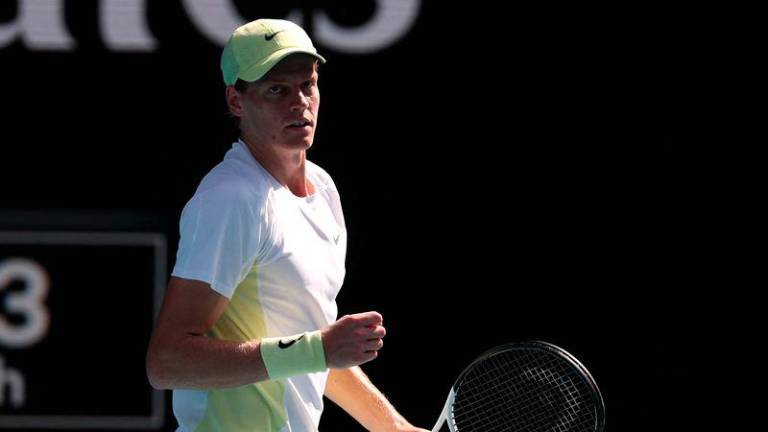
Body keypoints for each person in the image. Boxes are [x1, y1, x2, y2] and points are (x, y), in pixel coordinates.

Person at [145, 18, 428, 432]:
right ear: (237, 102)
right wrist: (317, 348)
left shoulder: (324, 191)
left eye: (307, 85)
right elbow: (167, 363)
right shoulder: (231, 199)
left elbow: (309, 352)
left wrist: (394, 428)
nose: (299, 102)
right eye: (277, 89)